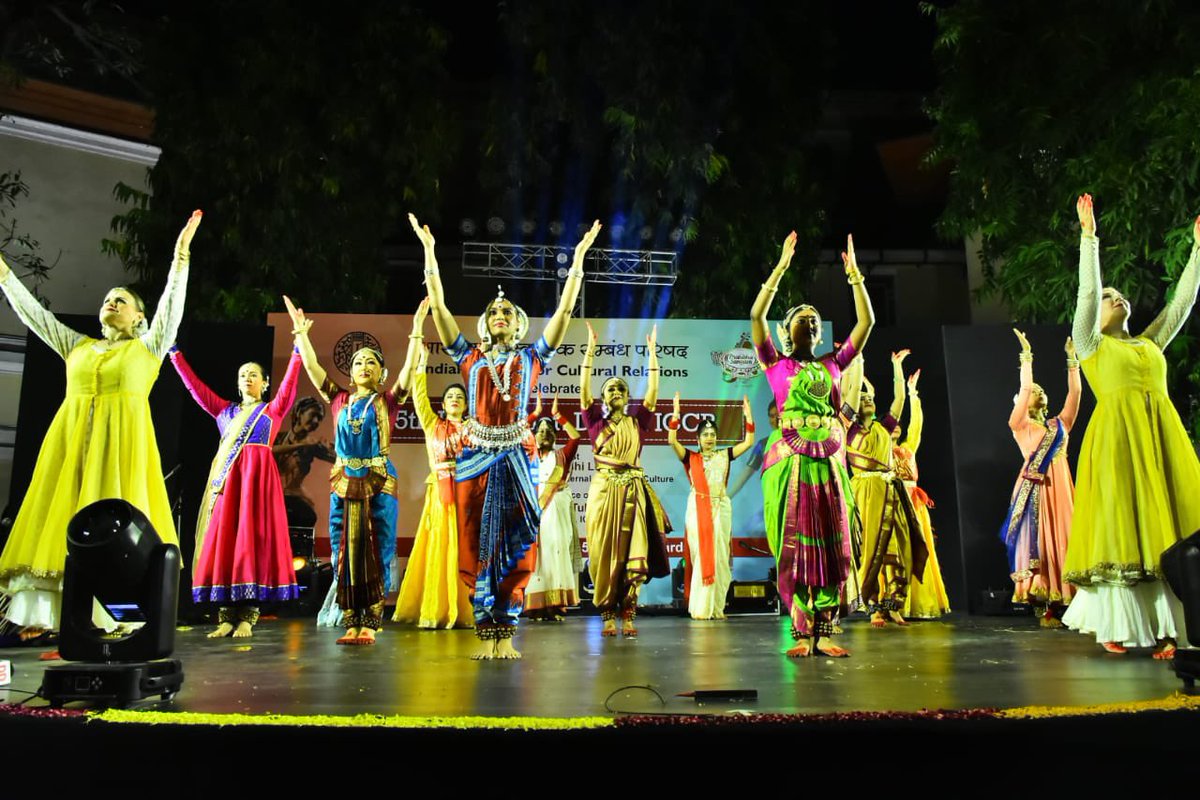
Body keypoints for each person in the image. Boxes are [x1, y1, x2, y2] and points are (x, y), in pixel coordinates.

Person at [0, 211, 202, 638]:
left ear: (138, 318)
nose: (111, 303)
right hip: (71, 449)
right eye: (107, 299)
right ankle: (56, 615)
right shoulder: (77, 346)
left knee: (112, 531)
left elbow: (171, 308)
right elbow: (34, 316)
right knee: (61, 524)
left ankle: (108, 617)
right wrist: (3, 274)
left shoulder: (149, 348)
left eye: (121, 301)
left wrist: (180, 256)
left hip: (119, 453)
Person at [413, 212, 599, 659]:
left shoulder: (534, 357)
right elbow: (439, 308)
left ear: (518, 324)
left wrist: (577, 259)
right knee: (476, 540)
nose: (500, 315)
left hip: (517, 455)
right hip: (475, 455)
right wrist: (430, 253)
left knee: (518, 541)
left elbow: (565, 311)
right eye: (493, 311)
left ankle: (507, 632)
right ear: (484, 321)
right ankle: (484, 630)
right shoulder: (469, 358)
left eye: (507, 313)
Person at [1062, 194, 1200, 656]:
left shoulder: (1149, 343)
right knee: (1125, 526)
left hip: (1161, 441)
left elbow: (1181, 303)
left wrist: (1198, 249)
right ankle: (1118, 625)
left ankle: (1170, 629)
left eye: (1119, 295)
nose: (1115, 296)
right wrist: (1089, 239)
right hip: (1118, 443)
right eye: (1108, 296)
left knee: (1167, 525)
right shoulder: (1091, 344)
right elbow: (1086, 293)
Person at [751, 231, 874, 658]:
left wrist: (855, 278)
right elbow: (755, 317)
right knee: (795, 540)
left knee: (831, 538)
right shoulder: (775, 363)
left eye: (816, 321)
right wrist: (780, 269)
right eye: (804, 318)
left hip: (829, 460)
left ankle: (825, 627)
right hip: (789, 461)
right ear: (787, 331)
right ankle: (802, 631)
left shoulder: (832, 364)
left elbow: (866, 324)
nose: (812, 323)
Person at [284, 296, 420, 644]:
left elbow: (407, 374)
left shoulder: (387, 400)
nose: (363, 366)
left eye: (370, 362)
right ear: (350, 370)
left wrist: (417, 333)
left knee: (379, 548)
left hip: (378, 480)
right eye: (358, 361)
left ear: (380, 373)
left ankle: (371, 621)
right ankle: (350, 619)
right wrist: (301, 336)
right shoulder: (338, 399)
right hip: (344, 482)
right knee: (345, 549)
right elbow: (313, 367)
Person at [168, 344, 303, 638]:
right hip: (229, 486)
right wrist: (175, 355)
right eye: (243, 375)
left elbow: (290, 387)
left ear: (265, 383)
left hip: (257, 486)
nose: (247, 378)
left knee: (251, 545)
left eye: (254, 374)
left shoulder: (271, 411)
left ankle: (248, 617)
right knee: (226, 545)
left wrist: (297, 350)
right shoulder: (224, 412)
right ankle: (226, 617)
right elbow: (195, 388)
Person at [581, 322, 672, 638]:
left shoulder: (638, 422)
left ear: (627, 396)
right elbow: (583, 388)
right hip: (604, 493)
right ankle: (607, 614)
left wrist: (652, 355)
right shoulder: (594, 422)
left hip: (633, 492)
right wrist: (590, 352)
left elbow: (654, 392)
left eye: (621, 388)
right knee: (604, 556)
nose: (616, 391)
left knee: (635, 557)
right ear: (603, 398)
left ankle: (629, 613)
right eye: (610, 389)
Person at [393, 312, 475, 630]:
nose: (454, 399)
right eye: (450, 397)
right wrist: (422, 366)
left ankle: (464, 609)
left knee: (465, 550)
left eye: (460, 397)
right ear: (445, 404)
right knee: (440, 546)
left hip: (467, 492)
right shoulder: (433, 425)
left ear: (466, 405)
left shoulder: (474, 428)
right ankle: (435, 606)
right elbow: (419, 397)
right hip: (440, 494)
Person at [998, 330, 1080, 626]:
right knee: (1042, 543)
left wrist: (1072, 361)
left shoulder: (1060, 425)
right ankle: (1046, 607)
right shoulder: (1019, 424)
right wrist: (1027, 357)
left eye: (1039, 390)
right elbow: (1024, 385)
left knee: (1065, 540)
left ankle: (1071, 602)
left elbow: (1075, 395)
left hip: (1062, 490)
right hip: (1036, 489)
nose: (1037, 391)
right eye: (1032, 391)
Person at [846, 350, 928, 628]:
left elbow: (900, 399)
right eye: (863, 398)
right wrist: (857, 362)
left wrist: (896, 367)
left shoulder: (884, 428)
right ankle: (872, 607)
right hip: (865, 492)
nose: (868, 400)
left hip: (891, 490)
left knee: (899, 546)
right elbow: (844, 394)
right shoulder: (847, 430)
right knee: (870, 549)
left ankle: (894, 604)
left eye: (870, 398)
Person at [666, 393, 755, 620]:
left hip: (721, 508)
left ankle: (717, 607)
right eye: (705, 434)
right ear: (698, 439)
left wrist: (748, 416)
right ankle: (700, 607)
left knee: (721, 557)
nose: (709, 438)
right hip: (698, 509)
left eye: (713, 434)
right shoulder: (691, 458)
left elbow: (748, 442)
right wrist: (676, 415)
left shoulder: (725, 455)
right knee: (702, 555)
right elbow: (671, 441)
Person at [893, 368, 951, 620]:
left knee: (922, 547)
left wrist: (912, 394)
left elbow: (916, 424)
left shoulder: (907, 448)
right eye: (890, 426)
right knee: (899, 551)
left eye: (897, 426)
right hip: (894, 502)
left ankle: (922, 601)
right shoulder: (880, 450)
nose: (895, 428)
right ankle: (896, 603)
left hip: (914, 503)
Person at [525, 395, 584, 621]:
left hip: (557, 508)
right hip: (534, 509)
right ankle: (536, 607)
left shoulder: (562, 455)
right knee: (537, 556)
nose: (544, 433)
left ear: (554, 435)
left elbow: (576, 437)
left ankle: (557, 606)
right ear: (533, 435)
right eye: (539, 430)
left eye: (549, 430)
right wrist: (535, 413)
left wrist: (558, 416)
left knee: (557, 551)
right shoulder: (527, 456)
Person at [272, 397, 334, 529]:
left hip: (294, 497)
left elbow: (337, 458)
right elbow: (267, 451)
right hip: (272, 496)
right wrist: (299, 445)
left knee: (306, 515)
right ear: (300, 413)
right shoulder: (278, 438)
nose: (316, 421)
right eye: (313, 415)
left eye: (319, 418)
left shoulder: (313, 444)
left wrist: (334, 448)